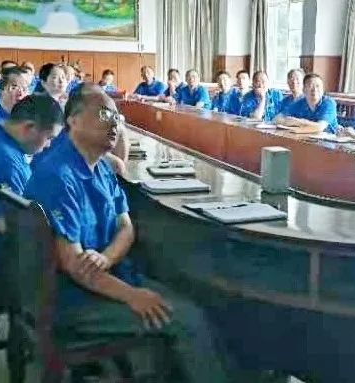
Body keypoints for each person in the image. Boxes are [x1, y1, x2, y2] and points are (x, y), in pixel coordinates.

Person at [24, 88, 242, 383]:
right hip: (73, 301)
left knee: (203, 304)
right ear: (73, 120)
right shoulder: (58, 174)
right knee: (188, 320)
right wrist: (132, 296)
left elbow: (126, 226)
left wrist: (106, 258)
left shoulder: (100, 167)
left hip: (105, 279)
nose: (114, 123)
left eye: (117, 116)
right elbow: (76, 267)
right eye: (105, 114)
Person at [0, 94, 63, 292]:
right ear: (29, 127)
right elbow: (15, 228)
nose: (48, 145)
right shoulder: (8, 163)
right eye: (49, 138)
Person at [274, 73, 338, 134]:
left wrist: (298, 122)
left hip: (329, 139)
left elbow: (319, 127)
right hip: (305, 137)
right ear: (304, 89)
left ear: (323, 89)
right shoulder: (300, 103)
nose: (314, 89)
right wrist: (289, 122)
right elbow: (276, 119)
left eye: (318, 86)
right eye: (310, 86)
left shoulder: (328, 103)